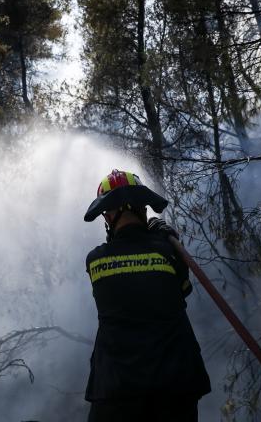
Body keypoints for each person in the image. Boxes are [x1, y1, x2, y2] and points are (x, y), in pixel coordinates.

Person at [82, 169, 211, 422]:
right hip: (176, 385)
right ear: (143, 208)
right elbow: (183, 290)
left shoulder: (95, 260)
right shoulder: (168, 251)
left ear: (108, 215)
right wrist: (165, 238)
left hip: (116, 389)